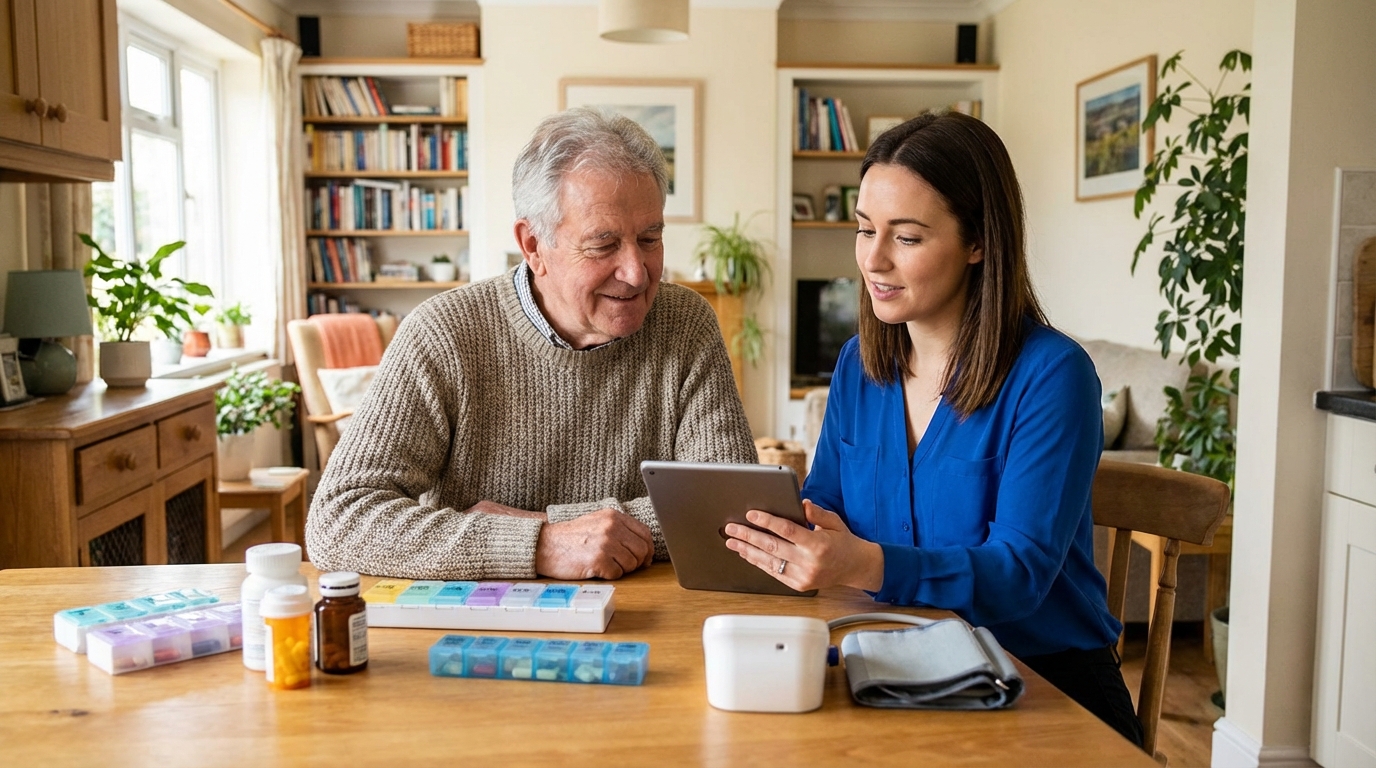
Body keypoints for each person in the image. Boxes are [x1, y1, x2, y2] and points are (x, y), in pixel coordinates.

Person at [723, 112, 1143, 746]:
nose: (874, 260)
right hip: (893, 666)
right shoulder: (857, 367)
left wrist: (863, 563)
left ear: (979, 242)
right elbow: (829, 508)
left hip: (1044, 691)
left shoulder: (1053, 376)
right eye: (865, 230)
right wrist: (801, 534)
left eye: (908, 238)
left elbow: (1019, 573)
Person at [307, 108, 757, 582]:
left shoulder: (685, 323)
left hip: (646, 616)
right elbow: (338, 521)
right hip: (481, 626)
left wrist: (547, 526)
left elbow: (732, 512)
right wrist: (540, 547)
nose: (636, 272)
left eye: (650, 238)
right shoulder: (443, 333)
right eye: (603, 245)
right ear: (533, 245)